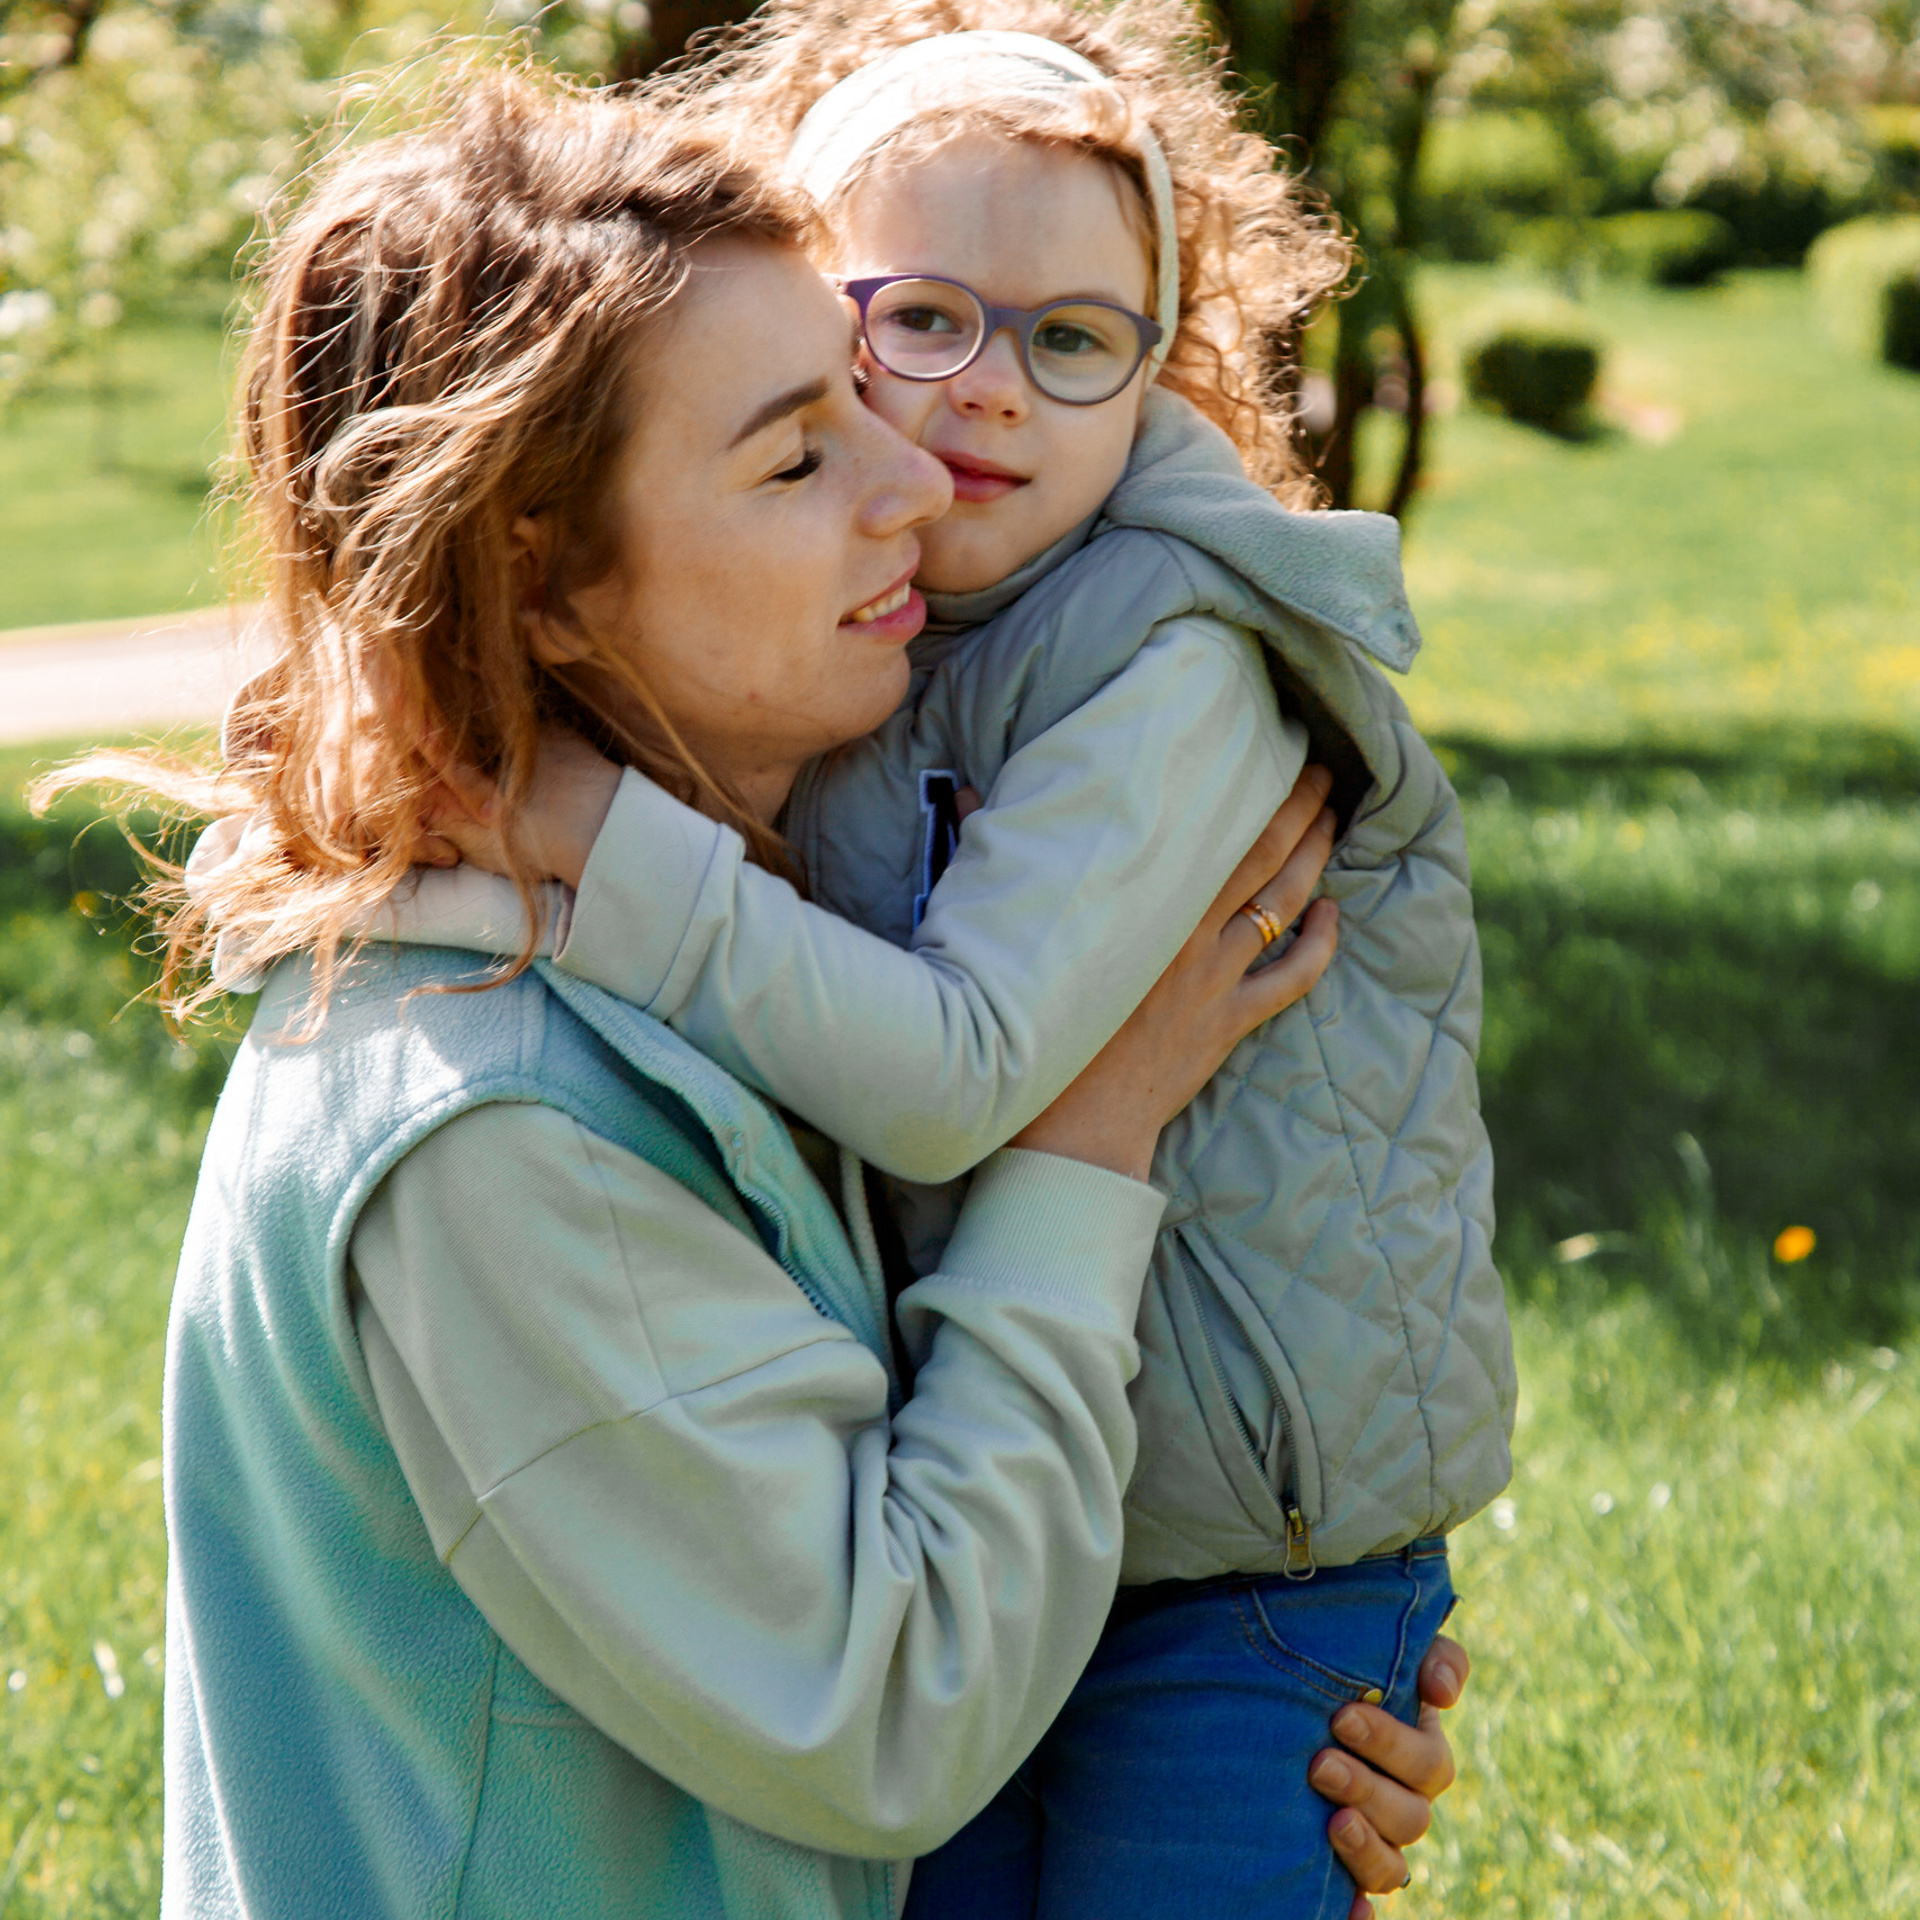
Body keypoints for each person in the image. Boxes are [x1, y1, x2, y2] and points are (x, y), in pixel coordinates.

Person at [42, 67, 1464, 1920]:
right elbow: (891, 1718)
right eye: (803, 451)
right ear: (540, 582)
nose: (915, 475)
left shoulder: (721, 973)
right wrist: (1086, 1143)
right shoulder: (501, 1122)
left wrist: (1245, 1699)